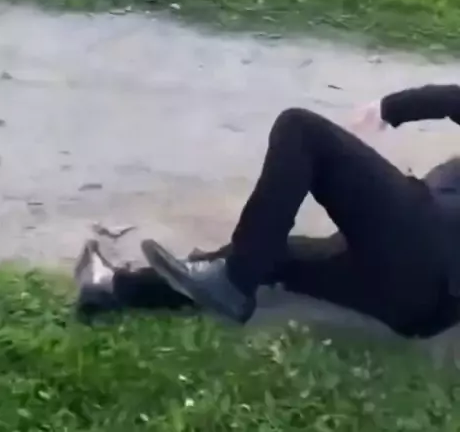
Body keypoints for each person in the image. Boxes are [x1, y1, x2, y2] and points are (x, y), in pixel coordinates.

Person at [78, 84, 460, 340]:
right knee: (264, 252)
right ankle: (112, 287)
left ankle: (233, 281)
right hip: (416, 308)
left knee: (301, 130)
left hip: (427, 251)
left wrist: (389, 108)